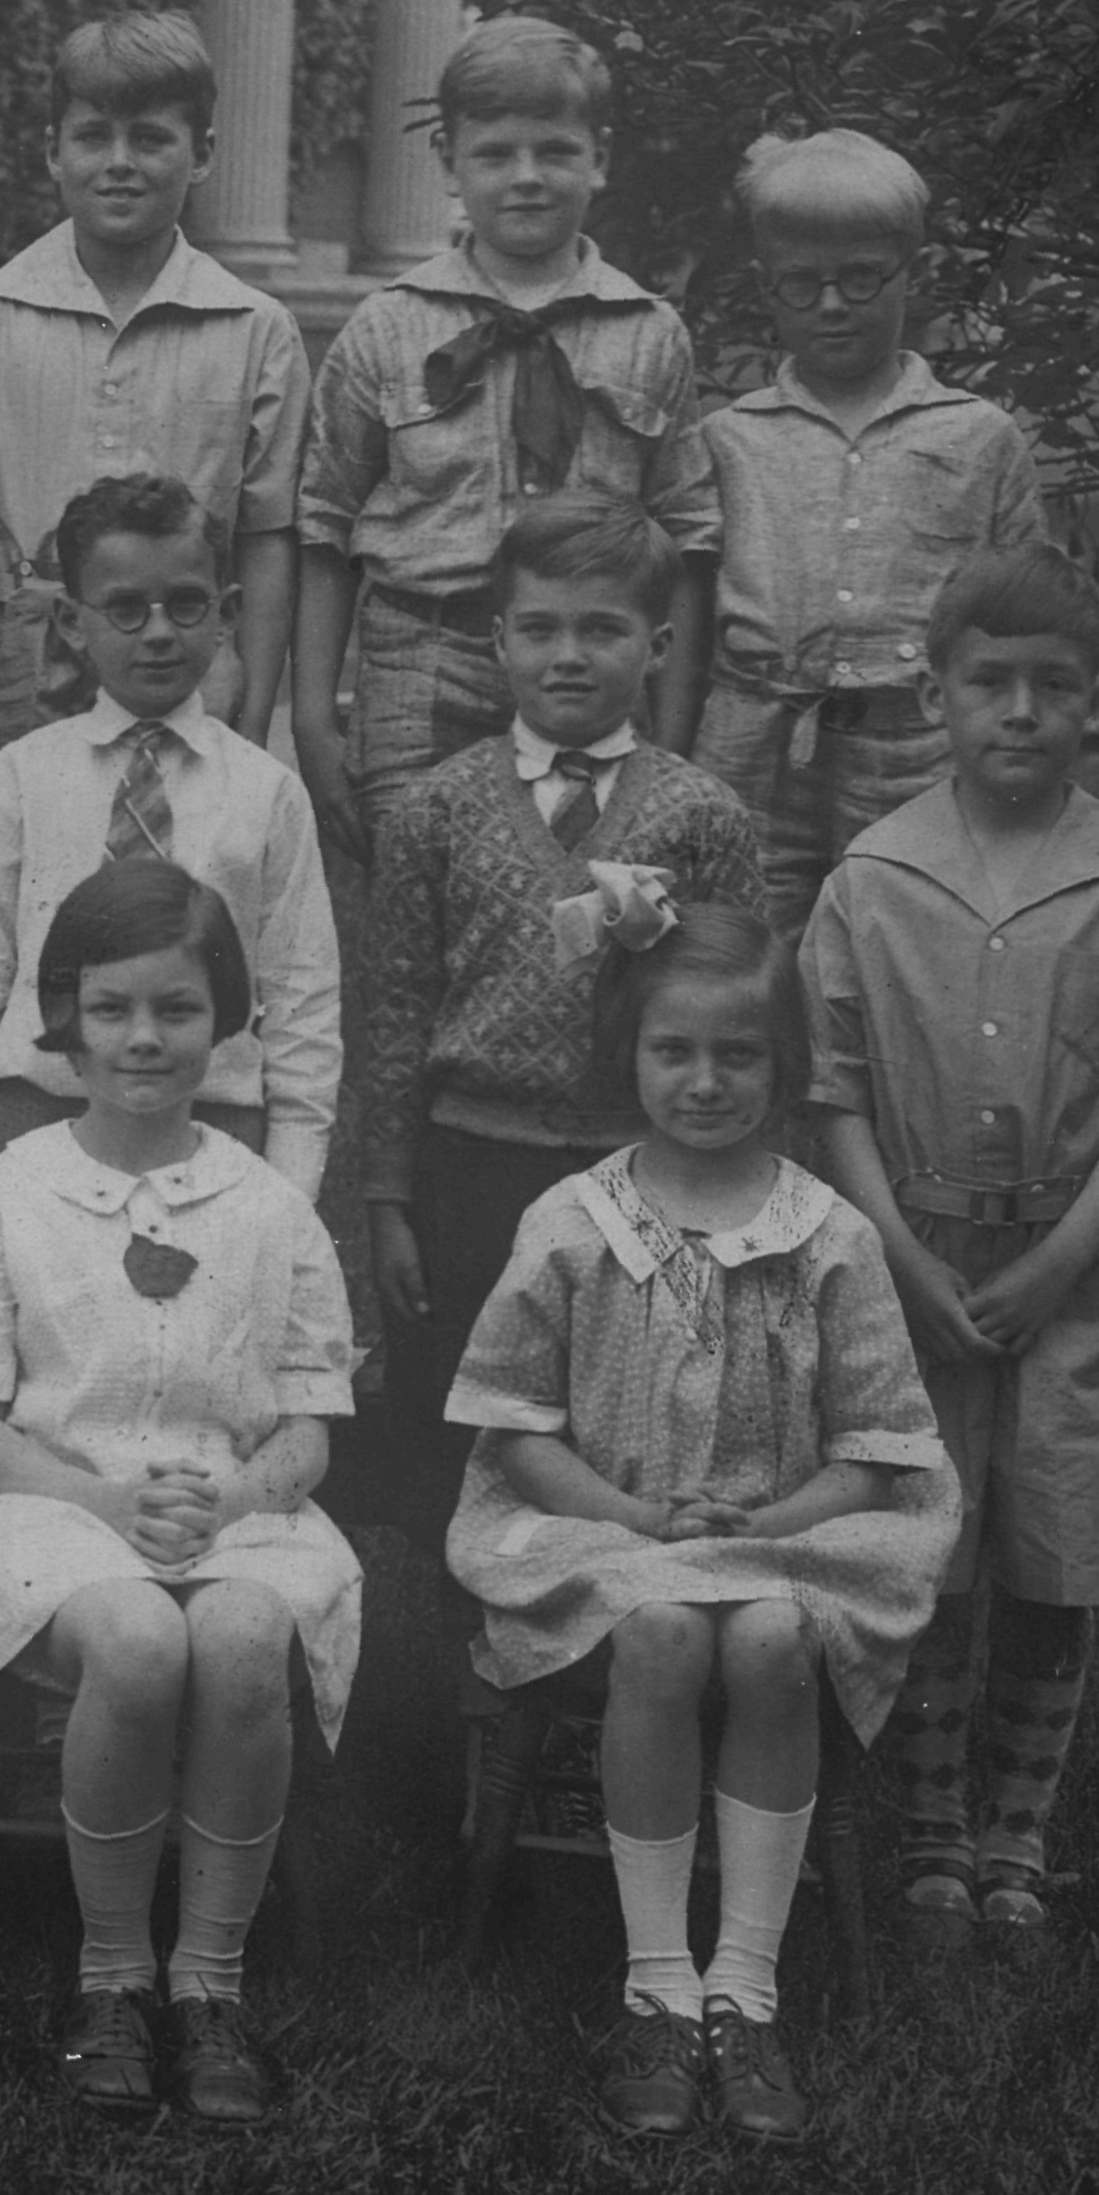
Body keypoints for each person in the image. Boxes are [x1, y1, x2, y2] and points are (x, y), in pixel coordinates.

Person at [447, 905, 953, 2143]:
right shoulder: (574, 1221)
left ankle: (746, 1982)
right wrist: (633, 1514)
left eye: (739, 1054)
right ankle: (658, 1984)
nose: (705, 1080)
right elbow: (514, 1428)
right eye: (673, 1050)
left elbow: (877, 1448)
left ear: (786, 1066)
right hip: (604, 1531)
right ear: (628, 1053)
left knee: (770, 1636)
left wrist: (770, 1516)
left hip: (787, 1534)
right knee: (664, 1630)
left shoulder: (828, 1234)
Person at [803, 543, 1099, 1949]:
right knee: (930, 1538)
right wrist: (894, 1251)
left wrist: (1056, 1263)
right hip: (911, 1254)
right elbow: (834, 1092)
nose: (1022, 711)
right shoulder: (873, 877)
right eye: (991, 682)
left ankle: (1015, 1828)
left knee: (1055, 1544)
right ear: (935, 692)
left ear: (1095, 696)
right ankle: (929, 1820)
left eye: (1056, 685)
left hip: (1071, 1266)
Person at [0, 861, 361, 2127]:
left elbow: (309, 1431)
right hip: (51, 1507)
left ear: (226, 1018)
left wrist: (233, 1504)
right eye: (109, 1009)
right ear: (63, 1015)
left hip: (237, 1510)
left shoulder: (270, 1208)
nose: (143, 1039)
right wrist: (107, 1509)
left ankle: (208, 1980)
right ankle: (111, 1971)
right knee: (138, 1636)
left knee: (242, 1630)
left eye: (176, 1007)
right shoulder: (2, 1198)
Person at [339, 492, 762, 1567]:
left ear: (655, 645)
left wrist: (726, 1190)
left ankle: (605, 1635)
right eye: (539, 628)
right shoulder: (436, 809)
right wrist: (388, 1199)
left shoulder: (701, 815)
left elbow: (740, 1013)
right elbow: (394, 1012)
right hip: (470, 1167)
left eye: (601, 629)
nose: (567, 656)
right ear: (497, 640)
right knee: (465, 1417)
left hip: (641, 1167)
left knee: (622, 1419)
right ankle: (464, 1645)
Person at [292, 16, 721, 865]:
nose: (525, 177)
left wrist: (670, 740)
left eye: (554, 151)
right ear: (449, 161)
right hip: (421, 668)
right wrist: (310, 717)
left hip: (591, 668)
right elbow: (322, 523)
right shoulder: (386, 328)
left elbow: (689, 537)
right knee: (416, 893)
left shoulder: (648, 335)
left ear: (598, 157)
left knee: (583, 904)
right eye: (493, 154)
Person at [0, 474, 339, 1198]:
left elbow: (302, 994)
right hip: (43, 1113)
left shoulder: (266, 792)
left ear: (226, 614)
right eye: (124, 609)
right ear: (71, 622)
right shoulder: (22, 776)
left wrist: (293, 1181)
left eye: (186, 604)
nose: (158, 633)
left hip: (213, 1121)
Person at [678, 131, 1053, 929]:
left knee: (908, 946)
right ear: (765, 285)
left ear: (908, 272)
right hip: (751, 751)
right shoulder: (728, 440)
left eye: (859, 277)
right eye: (800, 282)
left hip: (916, 752)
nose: (830, 304)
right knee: (740, 950)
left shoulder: (977, 438)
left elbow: (1030, 619)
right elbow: (687, 617)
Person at [0, 11, 307, 772]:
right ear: (53, 150)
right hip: (22, 668)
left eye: (149, 139)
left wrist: (254, 713)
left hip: (187, 662)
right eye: (92, 137)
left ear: (201, 153)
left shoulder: (254, 329)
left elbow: (268, 533)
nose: (119, 163)